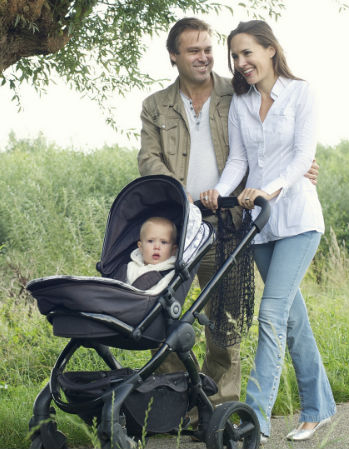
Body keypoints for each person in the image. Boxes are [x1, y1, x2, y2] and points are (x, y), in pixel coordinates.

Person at [137, 17, 319, 409]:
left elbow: (267, 149)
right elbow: (149, 159)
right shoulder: (156, 106)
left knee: (226, 317)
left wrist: (301, 171)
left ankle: (219, 407)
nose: (205, 58)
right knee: (168, 311)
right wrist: (181, 197)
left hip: (230, 222)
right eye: (193, 50)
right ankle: (171, 404)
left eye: (208, 49)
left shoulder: (236, 94)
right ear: (174, 56)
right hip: (178, 226)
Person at [200, 20, 335, 443]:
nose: (241, 63)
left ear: (270, 50)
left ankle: (252, 419)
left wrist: (268, 190)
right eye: (235, 57)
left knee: (272, 315)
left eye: (247, 54)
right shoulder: (241, 104)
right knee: (293, 322)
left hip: (296, 220)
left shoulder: (301, 93)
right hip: (258, 230)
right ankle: (319, 408)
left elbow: (302, 158)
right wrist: (217, 192)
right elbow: (238, 161)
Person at [120, 216, 178, 295]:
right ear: (140, 247)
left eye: (163, 242)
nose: (157, 247)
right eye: (150, 241)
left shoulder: (170, 273)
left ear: (173, 250)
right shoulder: (131, 267)